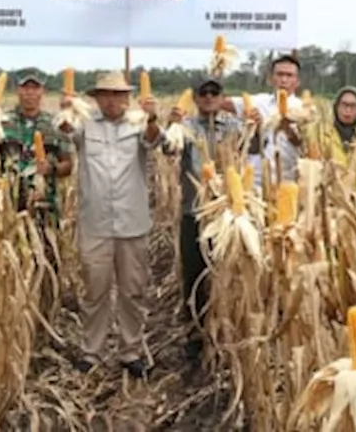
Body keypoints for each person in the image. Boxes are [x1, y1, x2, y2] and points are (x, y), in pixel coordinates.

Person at [58, 70, 168, 378]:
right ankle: (92, 351)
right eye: (106, 94)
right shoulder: (85, 125)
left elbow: (154, 140)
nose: (112, 100)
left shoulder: (138, 125)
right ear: (96, 98)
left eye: (118, 95)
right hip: (95, 223)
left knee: (132, 291)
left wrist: (152, 118)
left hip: (132, 223)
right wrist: (65, 108)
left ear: (127, 98)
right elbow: (65, 131)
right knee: (95, 290)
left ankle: (130, 351)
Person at [173, 74, 241, 361]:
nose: (210, 97)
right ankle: (195, 334)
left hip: (227, 214)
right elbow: (168, 148)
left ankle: (227, 331)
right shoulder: (186, 128)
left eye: (215, 92)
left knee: (227, 274)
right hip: (195, 212)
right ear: (196, 97)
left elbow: (256, 151)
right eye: (204, 93)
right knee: (196, 275)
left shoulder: (235, 127)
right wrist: (170, 125)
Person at [0, 68, 73, 218]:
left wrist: (51, 169)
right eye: (25, 87)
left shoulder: (55, 124)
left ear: (42, 91)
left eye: (35, 88)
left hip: (45, 206)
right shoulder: (3, 122)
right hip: (8, 206)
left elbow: (68, 165)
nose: (30, 93)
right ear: (17, 90)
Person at [223, 52, 306, 186]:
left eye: (289, 75)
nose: (284, 80)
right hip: (256, 182)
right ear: (271, 78)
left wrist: (286, 127)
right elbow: (221, 102)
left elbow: (306, 147)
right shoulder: (259, 102)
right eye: (279, 74)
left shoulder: (303, 109)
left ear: (297, 81)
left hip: (288, 183)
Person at [327, 86, 356, 166]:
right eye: (344, 105)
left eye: (353, 106)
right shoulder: (323, 135)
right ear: (336, 107)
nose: (348, 110)